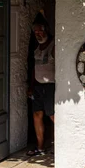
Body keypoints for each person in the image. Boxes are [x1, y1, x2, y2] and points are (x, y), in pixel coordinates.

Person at [26, 16, 55, 156]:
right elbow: (34, 69)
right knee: (37, 115)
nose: (39, 34)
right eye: (36, 32)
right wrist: (31, 86)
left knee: (53, 116)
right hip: (38, 86)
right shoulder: (36, 48)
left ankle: (58, 147)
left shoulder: (54, 45)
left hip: (51, 86)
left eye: (41, 31)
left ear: (47, 30)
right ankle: (40, 147)